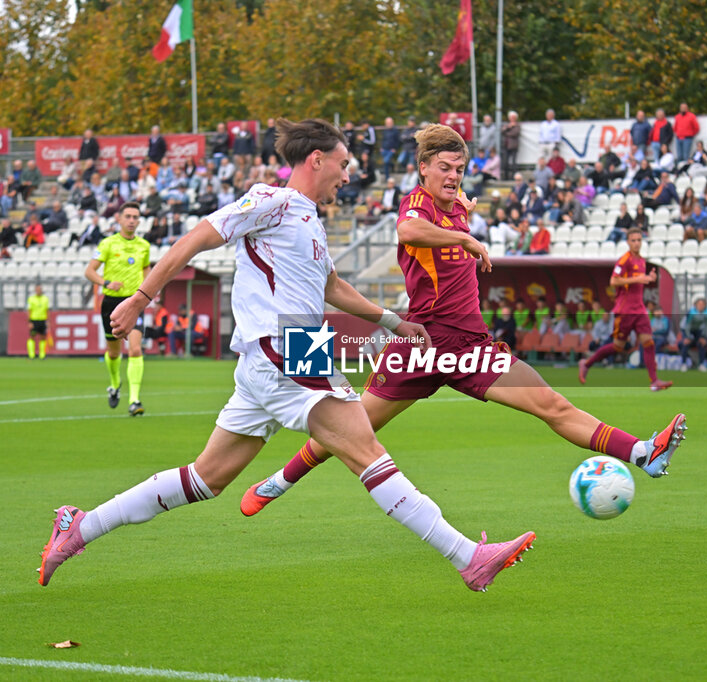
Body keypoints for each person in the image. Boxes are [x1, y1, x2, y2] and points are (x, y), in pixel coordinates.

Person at [39, 118, 537, 593]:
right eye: (343, 165)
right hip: (286, 346)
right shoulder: (271, 201)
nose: (348, 175)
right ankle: (468, 557)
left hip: (287, 349)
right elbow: (194, 239)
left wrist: (392, 321)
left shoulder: (309, 222)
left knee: (205, 478)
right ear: (316, 160)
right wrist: (141, 297)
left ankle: (79, 527)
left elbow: (333, 287)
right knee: (365, 448)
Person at [237, 123, 687, 525]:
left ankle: (642, 453)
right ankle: (280, 480)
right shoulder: (416, 204)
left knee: (551, 404)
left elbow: (449, 219)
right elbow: (409, 232)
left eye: (461, 169)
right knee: (349, 430)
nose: (454, 177)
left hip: (470, 346)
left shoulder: (455, 206)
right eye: (446, 168)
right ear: (424, 170)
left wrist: (461, 215)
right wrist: (464, 235)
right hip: (421, 346)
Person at [578, 228, 673, 391]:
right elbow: (614, 281)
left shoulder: (642, 261)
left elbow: (639, 281)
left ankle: (654, 381)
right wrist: (638, 278)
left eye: (639, 240)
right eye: (633, 240)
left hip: (640, 309)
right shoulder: (624, 260)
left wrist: (649, 279)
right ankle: (587, 363)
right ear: (628, 242)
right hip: (625, 310)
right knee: (617, 347)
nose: (636, 243)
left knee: (649, 343)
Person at [84, 202, 151, 417]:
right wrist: (105, 283)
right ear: (119, 219)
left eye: (135, 217)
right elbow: (89, 271)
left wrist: (147, 292)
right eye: (128, 216)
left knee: (135, 349)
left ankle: (134, 400)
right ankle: (114, 384)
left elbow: (146, 269)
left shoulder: (144, 246)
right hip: (112, 303)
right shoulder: (108, 244)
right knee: (114, 352)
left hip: (134, 303)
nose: (132, 220)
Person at [679, 297, 707, 371]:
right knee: (685, 343)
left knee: (702, 343)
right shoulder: (691, 312)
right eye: (699, 304)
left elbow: (706, 325)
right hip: (687, 330)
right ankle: (683, 364)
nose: (701, 306)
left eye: (702, 304)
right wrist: (688, 337)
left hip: (698, 330)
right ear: (695, 305)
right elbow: (687, 325)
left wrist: (703, 337)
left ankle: (701, 364)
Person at [27, 284, 50, 360]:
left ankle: (42, 355)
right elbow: (29, 310)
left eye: (39, 289)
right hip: (34, 320)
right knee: (32, 336)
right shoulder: (31, 299)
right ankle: (31, 355)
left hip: (42, 320)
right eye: (37, 289)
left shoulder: (45, 299)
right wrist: (30, 321)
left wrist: (48, 320)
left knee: (43, 337)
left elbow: (47, 310)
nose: (38, 291)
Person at [501, 110, 522, 179]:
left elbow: (515, 133)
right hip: (506, 146)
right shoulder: (507, 125)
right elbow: (502, 130)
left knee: (513, 163)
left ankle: (514, 177)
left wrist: (507, 133)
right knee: (505, 162)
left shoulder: (517, 125)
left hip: (513, 146)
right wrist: (509, 127)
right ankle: (506, 177)